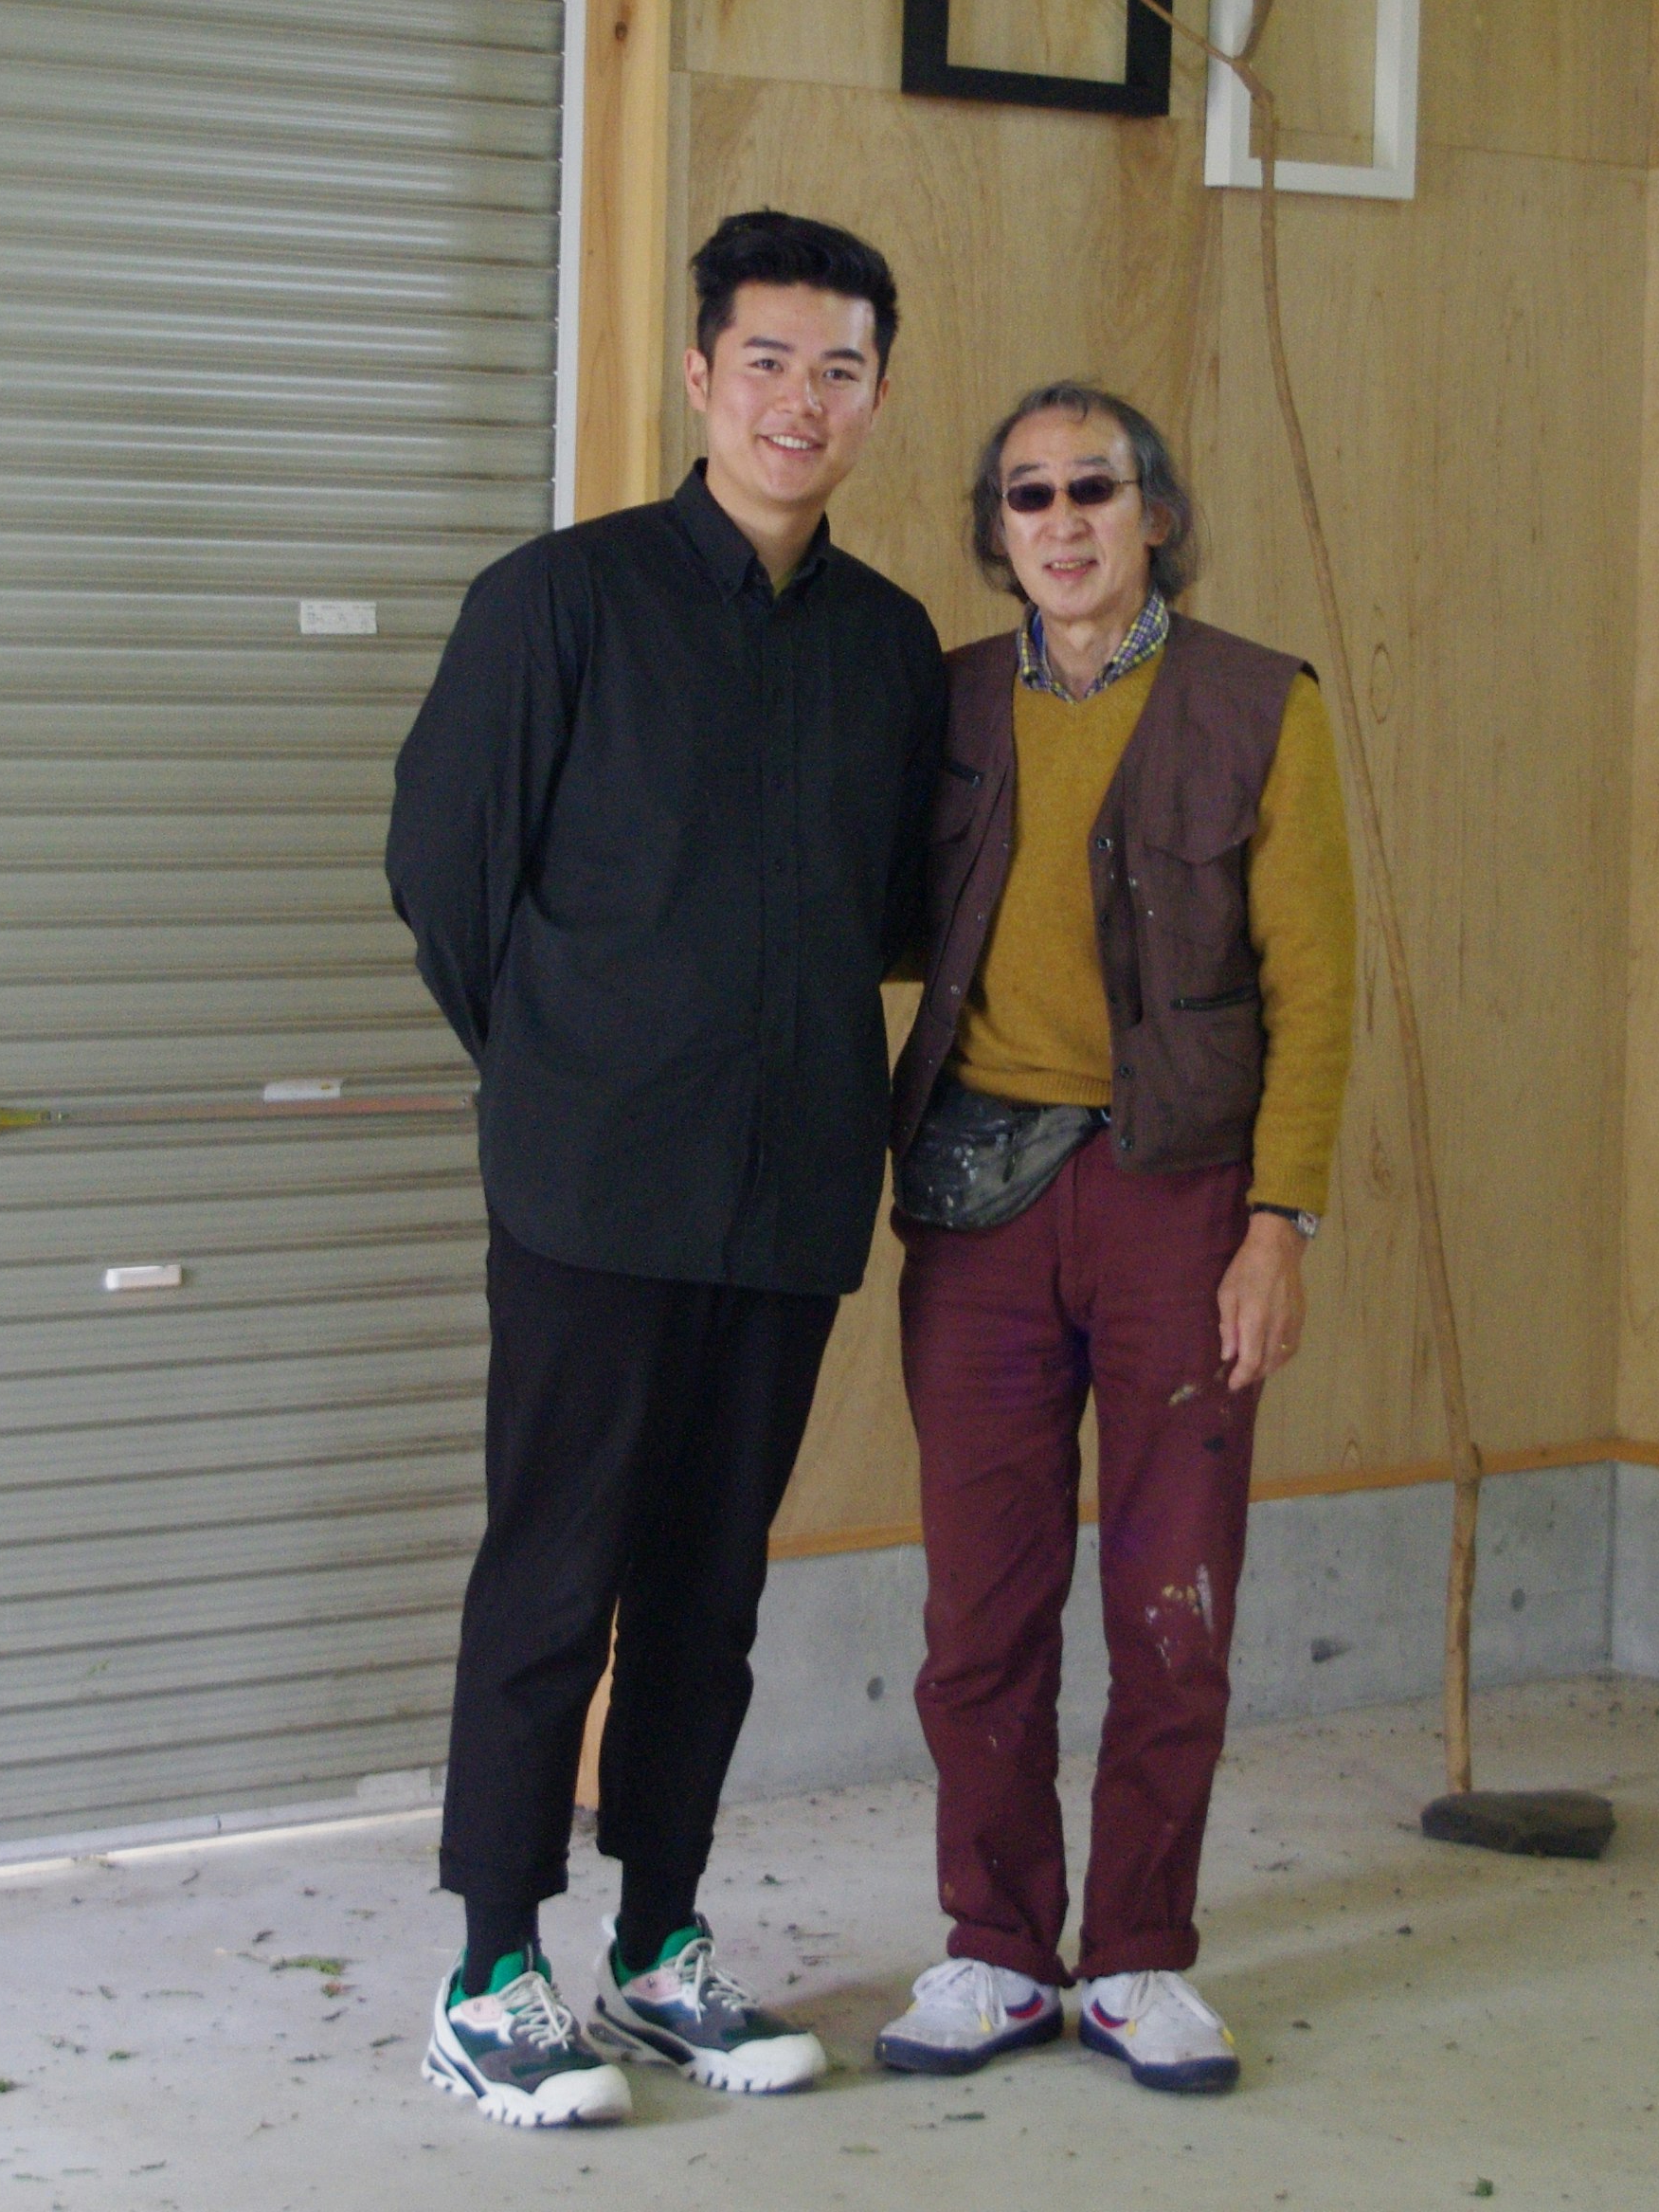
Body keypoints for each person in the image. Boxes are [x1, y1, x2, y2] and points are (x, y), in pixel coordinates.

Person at [384, 211, 947, 2127]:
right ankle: (486, 1961)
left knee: (708, 1590)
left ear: (875, 393)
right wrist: (565, 1068)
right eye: (769, 359)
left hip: (787, 1190)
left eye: (841, 366)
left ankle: (657, 1944)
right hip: (590, 1188)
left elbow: (888, 910)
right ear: (699, 374)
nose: (802, 399)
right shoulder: (555, 603)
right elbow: (443, 880)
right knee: (553, 1571)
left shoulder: (887, 650)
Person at [868, 381, 1354, 2097]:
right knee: (979, 1605)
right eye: (1027, 496)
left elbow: (1316, 982)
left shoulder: (1256, 704)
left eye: (1096, 487)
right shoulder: (939, 706)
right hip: (978, 1205)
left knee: (1172, 1599)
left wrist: (1278, 1220)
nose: (1062, 520)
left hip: (1182, 1206)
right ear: (994, 531)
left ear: (1157, 510)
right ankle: (996, 1952)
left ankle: (1141, 1958)